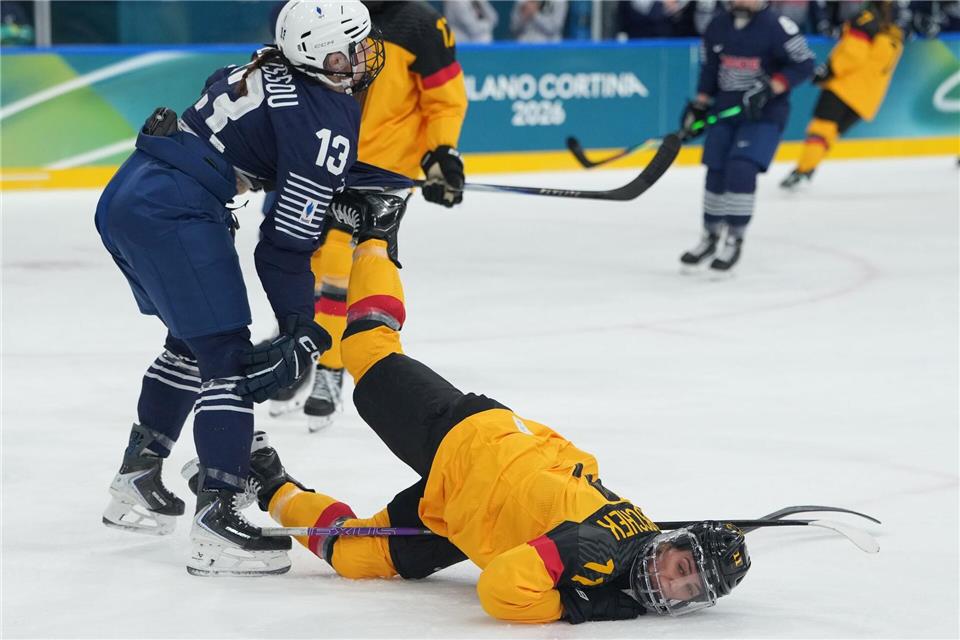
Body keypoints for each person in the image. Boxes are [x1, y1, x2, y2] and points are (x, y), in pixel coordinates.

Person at [186, 188, 752, 623]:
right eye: (680, 568)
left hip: (457, 516)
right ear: (672, 545)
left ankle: (268, 479)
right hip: (465, 437)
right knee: (364, 347)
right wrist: (573, 603)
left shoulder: (624, 552)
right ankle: (379, 234)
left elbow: (577, 468)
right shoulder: (598, 553)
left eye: (688, 589)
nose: (672, 584)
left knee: (356, 557)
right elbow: (502, 589)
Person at [95, 0, 387, 576]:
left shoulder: (263, 64)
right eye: (351, 47)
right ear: (320, 52)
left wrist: (336, 181)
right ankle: (217, 520)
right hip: (175, 212)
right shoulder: (325, 113)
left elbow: (273, 146)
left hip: (131, 194)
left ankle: (138, 474)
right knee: (229, 359)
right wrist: (303, 327)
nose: (361, 56)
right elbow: (282, 245)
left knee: (190, 341)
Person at [269, 0, 469, 433]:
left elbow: (445, 100)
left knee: (342, 265)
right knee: (306, 259)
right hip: (322, 158)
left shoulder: (420, 24)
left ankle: (331, 367)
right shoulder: (318, 12)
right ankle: (303, 347)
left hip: (382, 173)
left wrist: (441, 154)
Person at [678, 0, 814, 271]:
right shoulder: (717, 25)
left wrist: (771, 87)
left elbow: (804, 64)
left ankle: (734, 238)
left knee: (741, 167)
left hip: (763, 117)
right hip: (725, 111)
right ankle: (710, 235)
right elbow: (710, 69)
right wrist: (700, 105)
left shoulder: (778, 26)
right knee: (715, 170)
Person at [781, 1, 904, 189]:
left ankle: (803, 170)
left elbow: (853, 54)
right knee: (830, 134)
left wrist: (829, 69)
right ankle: (808, 168)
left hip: (844, 88)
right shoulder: (895, 28)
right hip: (868, 98)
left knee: (820, 130)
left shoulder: (865, 19)